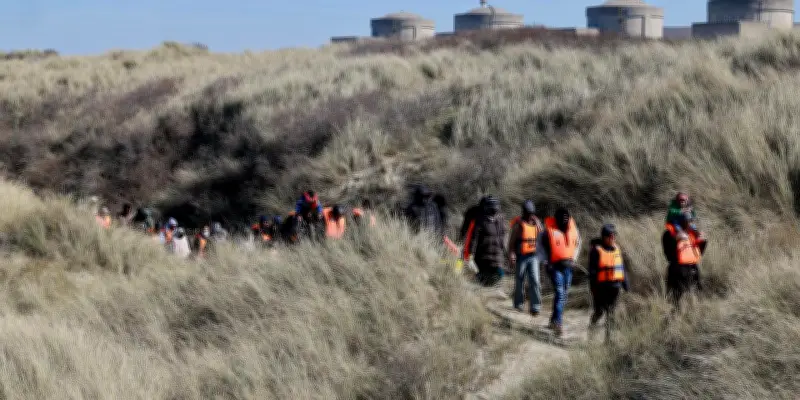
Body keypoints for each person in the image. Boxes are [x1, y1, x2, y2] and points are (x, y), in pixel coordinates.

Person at [537, 207, 582, 337]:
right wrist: (544, 260)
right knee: (560, 292)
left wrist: (574, 257)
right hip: (554, 267)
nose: (564, 219)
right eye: (561, 217)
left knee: (564, 293)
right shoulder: (547, 232)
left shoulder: (574, 230)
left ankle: (553, 320)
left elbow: (578, 243)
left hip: (568, 266)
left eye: (566, 217)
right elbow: (539, 246)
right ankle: (558, 324)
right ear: (556, 218)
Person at [588, 224, 629, 343]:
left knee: (611, 313)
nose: (613, 239)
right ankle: (592, 328)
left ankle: (609, 340)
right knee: (599, 312)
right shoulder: (596, 251)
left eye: (614, 236)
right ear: (604, 237)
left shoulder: (617, 249)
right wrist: (593, 289)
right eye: (610, 237)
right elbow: (592, 272)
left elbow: (622, 268)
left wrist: (626, 285)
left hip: (615, 287)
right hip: (601, 288)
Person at [663, 211, 708, 308]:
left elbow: (699, 253)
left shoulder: (692, 234)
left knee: (698, 295)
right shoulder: (669, 234)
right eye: (688, 221)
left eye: (692, 221)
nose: (691, 223)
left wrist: (703, 241)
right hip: (677, 270)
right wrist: (675, 240)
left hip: (693, 268)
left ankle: (694, 314)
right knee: (676, 300)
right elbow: (668, 255)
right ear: (681, 222)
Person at [508, 200, 544, 316]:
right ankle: (518, 304)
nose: (530, 215)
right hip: (521, 256)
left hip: (533, 256)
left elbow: (544, 239)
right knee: (520, 280)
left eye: (532, 213)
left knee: (535, 281)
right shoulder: (519, 225)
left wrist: (539, 225)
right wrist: (512, 254)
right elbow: (511, 242)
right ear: (524, 212)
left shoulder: (537, 224)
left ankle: (535, 307)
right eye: (528, 213)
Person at [462, 196, 508, 287]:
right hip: (483, 257)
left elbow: (504, 236)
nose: (493, 212)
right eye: (491, 210)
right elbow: (473, 239)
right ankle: (482, 294)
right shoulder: (480, 220)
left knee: (499, 276)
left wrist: (507, 251)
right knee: (483, 280)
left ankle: (492, 293)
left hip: (497, 256)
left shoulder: (501, 219)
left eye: (495, 210)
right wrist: (470, 255)